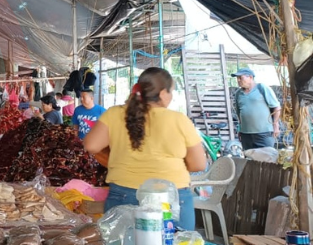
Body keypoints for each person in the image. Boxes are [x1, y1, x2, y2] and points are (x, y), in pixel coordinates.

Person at [83, 67, 206, 230]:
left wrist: (115, 156)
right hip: (172, 197)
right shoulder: (179, 119)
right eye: (171, 92)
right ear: (163, 93)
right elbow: (198, 164)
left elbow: (91, 145)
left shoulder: (115, 114)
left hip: (124, 194)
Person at [232, 68, 282, 150]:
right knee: (249, 156)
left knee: (266, 156)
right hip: (246, 134)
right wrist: (240, 129)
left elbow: (276, 107)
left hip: (264, 133)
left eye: (241, 78)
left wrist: (276, 124)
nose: (238, 80)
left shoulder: (261, 88)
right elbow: (239, 113)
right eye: (237, 78)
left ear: (250, 77)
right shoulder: (238, 93)